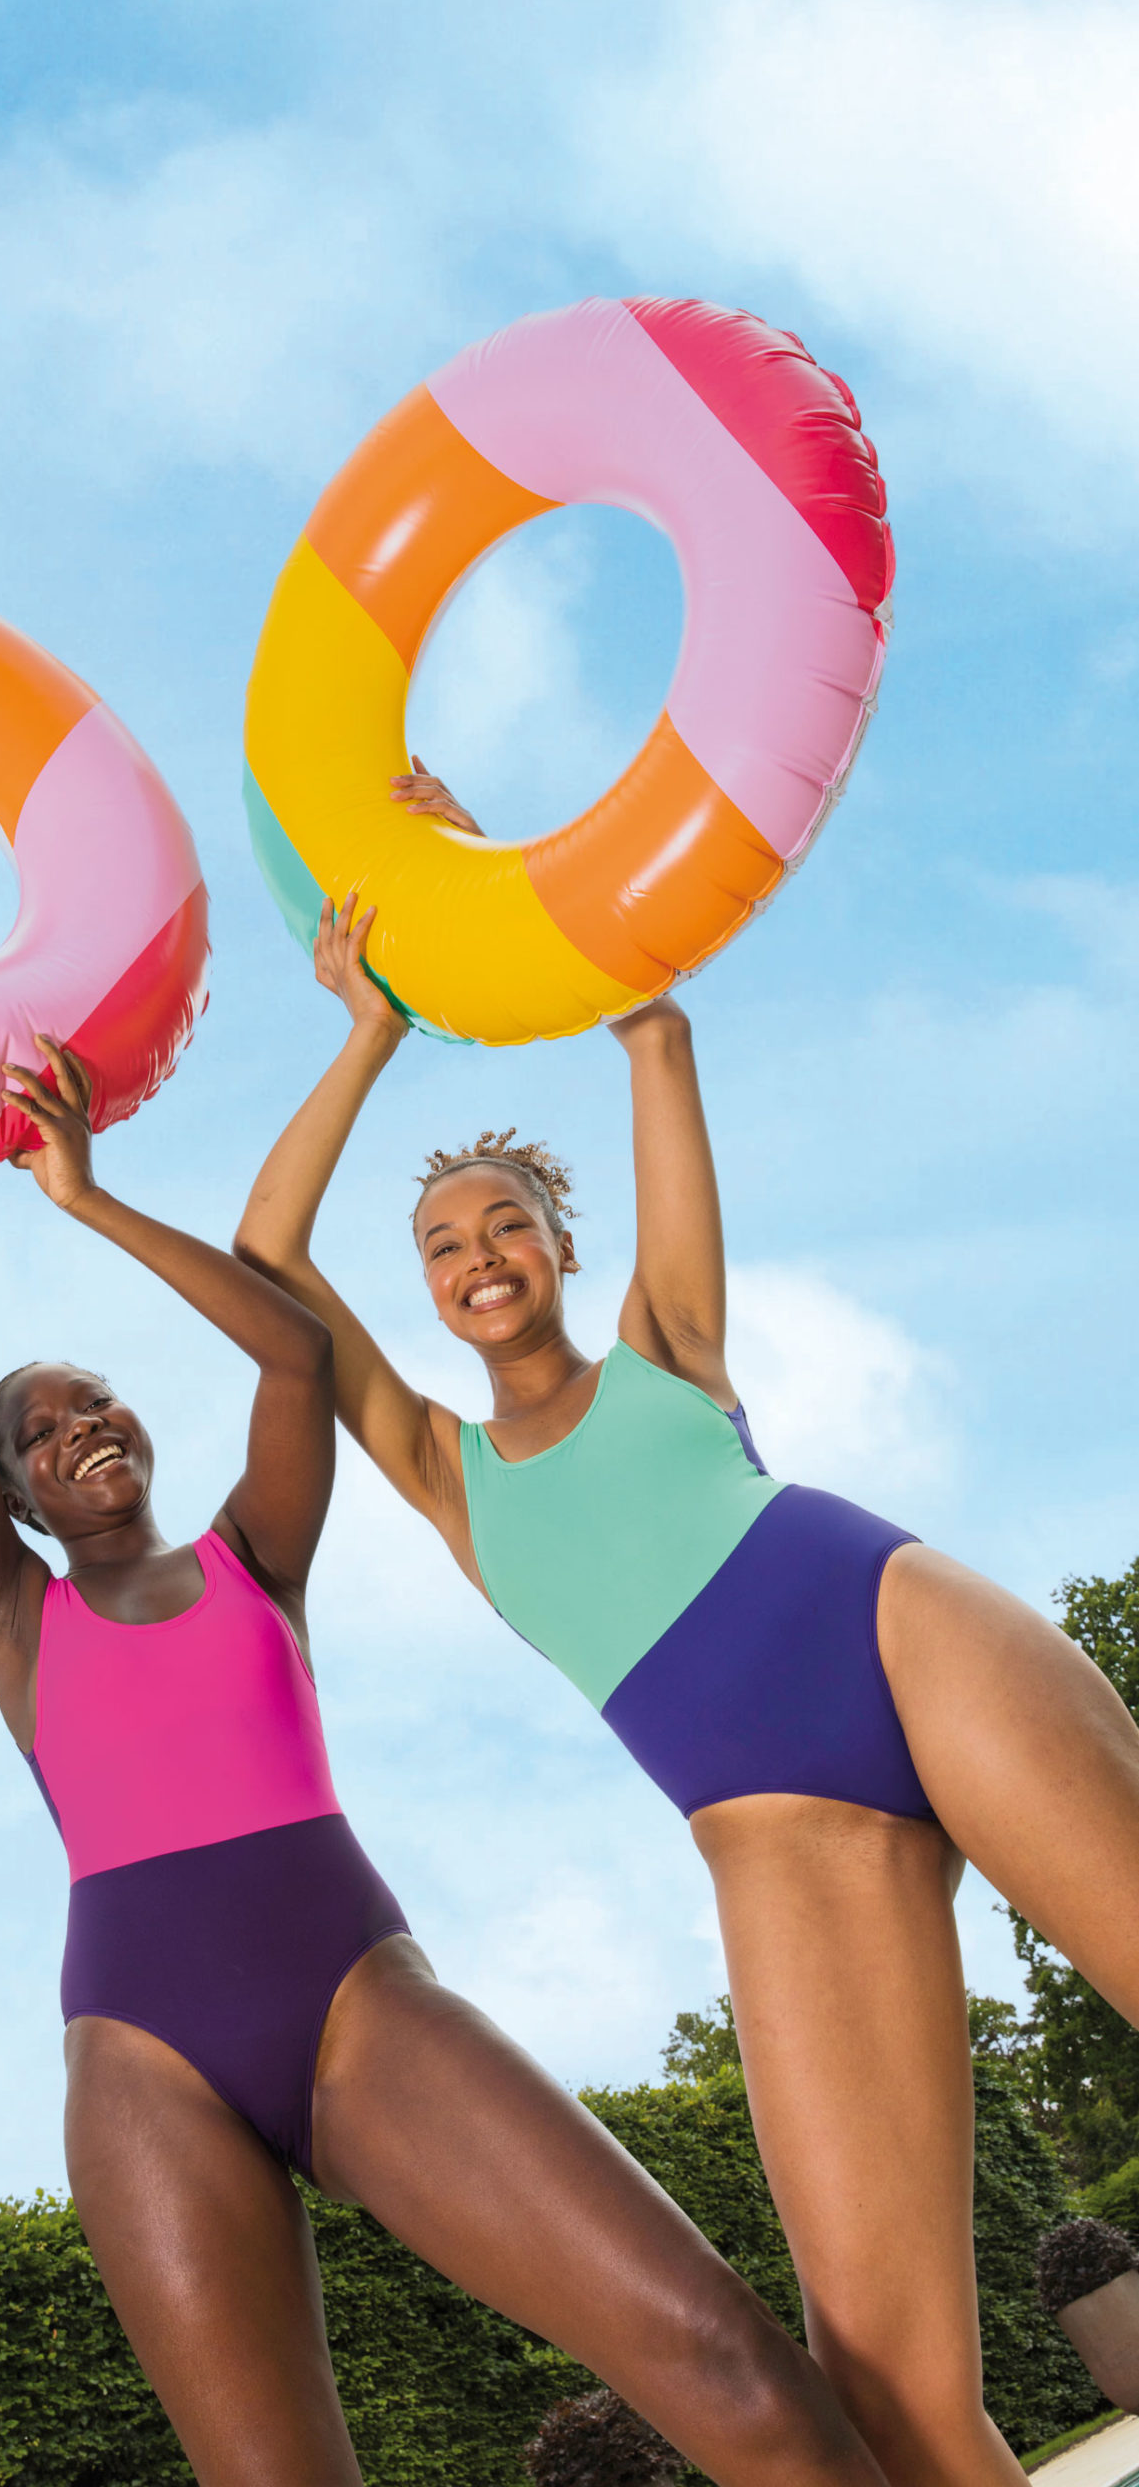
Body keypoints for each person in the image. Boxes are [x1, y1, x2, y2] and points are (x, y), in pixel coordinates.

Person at [231, 759, 1139, 2487]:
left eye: (507, 1220)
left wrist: (489, 866)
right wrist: (368, 1031)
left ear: (560, 1245)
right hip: (769, 1829)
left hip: (896, 1634)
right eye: (441, 1242)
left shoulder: (666, 1344)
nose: (476, 1251)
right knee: (888, 2392)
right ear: (425, 1287)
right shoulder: (434, 1463)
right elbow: (264, 1253)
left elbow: (653, 1032)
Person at [0, 1032, 890, 2487]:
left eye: (94, 1398)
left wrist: (81, 1199)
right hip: (141, 2062)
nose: (80, 1428)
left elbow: (291, 1347)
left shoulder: (252, 1560)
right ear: (11, 1498)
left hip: (356, 1998)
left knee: (718, 2353)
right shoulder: (13, 1624)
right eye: (38, 1434)